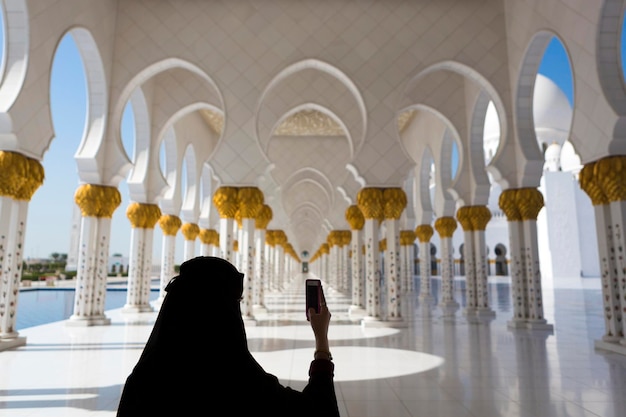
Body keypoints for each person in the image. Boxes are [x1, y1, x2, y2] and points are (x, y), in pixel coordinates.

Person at [116, 256, 340, 417]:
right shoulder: (241, 384)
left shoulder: (142, 382)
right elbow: (319, 410)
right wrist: (322, 340)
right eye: (236, 303)